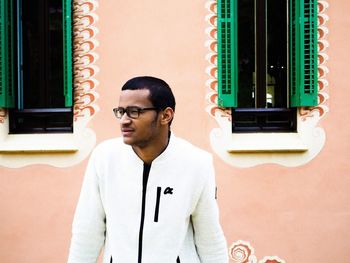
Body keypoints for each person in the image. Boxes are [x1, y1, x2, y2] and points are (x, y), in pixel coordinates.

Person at [67, 76, 228, 263]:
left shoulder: (197, 163)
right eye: (121, 112)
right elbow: (87, 233)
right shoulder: (104, 158)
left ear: (166, 116)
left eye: (134, 112)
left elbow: (210, 240)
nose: (124, 121)